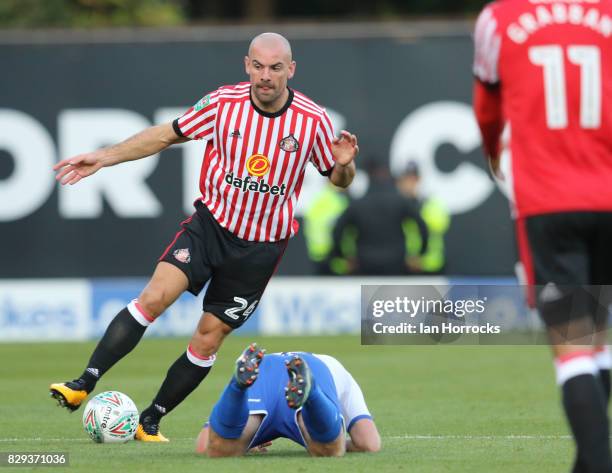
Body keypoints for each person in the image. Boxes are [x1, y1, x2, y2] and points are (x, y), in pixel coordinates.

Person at [49, 32, 359, 442]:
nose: (266, 76)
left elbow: (339, 180)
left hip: (260, 248)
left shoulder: (312, 120)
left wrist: (344, 165)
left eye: (276, 68)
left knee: (208, 337)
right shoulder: (222, 103)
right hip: (209, 226)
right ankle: (82, 383)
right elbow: (164, 135)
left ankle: (150, 420)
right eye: (259, 66)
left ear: (291, 70)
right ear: (247, 65)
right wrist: (103, 158)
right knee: (154, 298)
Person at [473, 1, 612, 471]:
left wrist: (494, 150)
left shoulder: (500, 19)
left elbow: (487, 107)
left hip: (550, 203)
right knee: (600, 335)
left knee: (574, 347)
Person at [195, 343, 381, 457]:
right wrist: (342, 442)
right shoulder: (334, 366)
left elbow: (204, 445)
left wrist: (247, 443)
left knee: (220, 448)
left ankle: (237, 388)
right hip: (314, 368)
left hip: (263, 369)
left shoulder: (254, 367)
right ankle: (312, 392)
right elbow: (369, 443)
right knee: (329, 450)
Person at [332, 161, 428, 275]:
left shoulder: (357, 204)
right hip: (396, 264)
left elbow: (337, 230)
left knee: (367, 293)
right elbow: (422, 227)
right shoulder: (400, 202)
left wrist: (343, 256)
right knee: (391, 293)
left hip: (364, 265)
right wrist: (419, 254)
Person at [396, 161, 450, 274]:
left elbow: (440, 225)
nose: (409, 183)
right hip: (404, 265)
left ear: (419, 179)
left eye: (413, 179)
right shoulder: (395, 206)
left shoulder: (431, 203)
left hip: (430, 265)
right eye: (406, 179)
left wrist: (414, 213)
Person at [303, 182, 353, 275]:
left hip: (317, 256)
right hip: (337, 259)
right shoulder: (341, 202)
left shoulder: (317, 200)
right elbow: (345, 233)